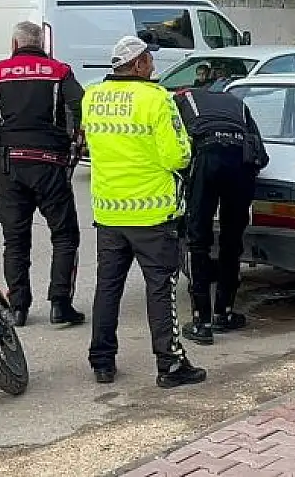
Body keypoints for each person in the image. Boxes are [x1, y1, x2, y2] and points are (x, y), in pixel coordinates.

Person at [83, 35, 206, 389]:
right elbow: (177, 156)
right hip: (152, 213)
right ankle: (169, 365)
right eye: (149, 60)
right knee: (160, 288)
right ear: (138, 64)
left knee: (108, 287)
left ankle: (102, 362)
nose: (153, 66)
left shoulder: (93, 97)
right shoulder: (157, 100)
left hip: (109, 211)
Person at [0, 21, 86, 328]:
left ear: (13, 45)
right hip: (50, 164)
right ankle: (60, 304)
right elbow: (81, 106)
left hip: (10, 167)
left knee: (15, 240)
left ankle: (18, 308)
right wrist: (76, 138)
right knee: (64, 236)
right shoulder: (59, 71)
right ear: (42, 45)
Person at [174, 79, 268, 346]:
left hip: (205, 157)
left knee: (197, 241)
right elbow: (260, 153)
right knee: (231, 241)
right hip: (240, 163)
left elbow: (174, 146)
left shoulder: (181, 99)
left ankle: (201, 323)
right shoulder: (237, 103)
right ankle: (223, 314)